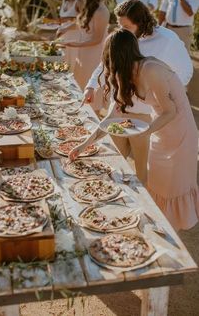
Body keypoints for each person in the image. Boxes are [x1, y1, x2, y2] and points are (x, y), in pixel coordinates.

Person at [70, 29, 199, 231]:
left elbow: (171, 111)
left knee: (172, 189)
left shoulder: (151, 69)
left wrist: (145, 132)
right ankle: (158, 229)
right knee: (156, 186)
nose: (108, 64)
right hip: (159, 130)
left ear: (119, 55)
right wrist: (83, 145)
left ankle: (170, 236)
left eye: (109, 57)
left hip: (180, 133)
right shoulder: (127, 73)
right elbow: (110, 118)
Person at [82, 0, 193, 183]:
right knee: (115, 162)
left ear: (140, 23)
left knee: (143, 171)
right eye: (119, 25)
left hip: (148, 115)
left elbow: (186, 71)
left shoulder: (167, 40)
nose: (121, 30)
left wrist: (162, 94)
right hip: (118, 106)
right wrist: (91, 86)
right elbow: (107, 63)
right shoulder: (122, 37)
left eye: (126, 26)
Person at [57, 0, 109, 91]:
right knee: (79, 84)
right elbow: (80, 23)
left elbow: (98, 39)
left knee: (90, 86)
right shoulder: (89, 7)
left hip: (94, 54)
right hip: (83, 52)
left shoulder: (101, 11)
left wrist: (76, 44)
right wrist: (65, 28)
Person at [57, 0, 83, 70]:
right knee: (62, 65)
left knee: (72, 66)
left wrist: (65, 29)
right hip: (63, 37)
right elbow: (64, 19)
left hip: (75, 38)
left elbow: (83, 21)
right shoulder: (64, 1)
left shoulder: (79, 1)